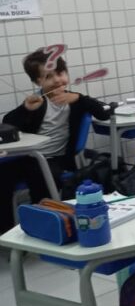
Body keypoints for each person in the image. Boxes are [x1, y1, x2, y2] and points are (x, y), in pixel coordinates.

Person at [0, 50, 112, 232]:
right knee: (3, 174)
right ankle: (5, 232)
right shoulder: (36, 102)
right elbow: (8, 123)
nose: (57, 80)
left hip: (57, 159)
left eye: (60, 73)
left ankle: (45, 227)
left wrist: (79, 98)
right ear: (38, 82)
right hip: (28, 157)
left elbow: (104, 112)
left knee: (39, 175)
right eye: (48, 77)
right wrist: (25, 109)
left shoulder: (75, 100)